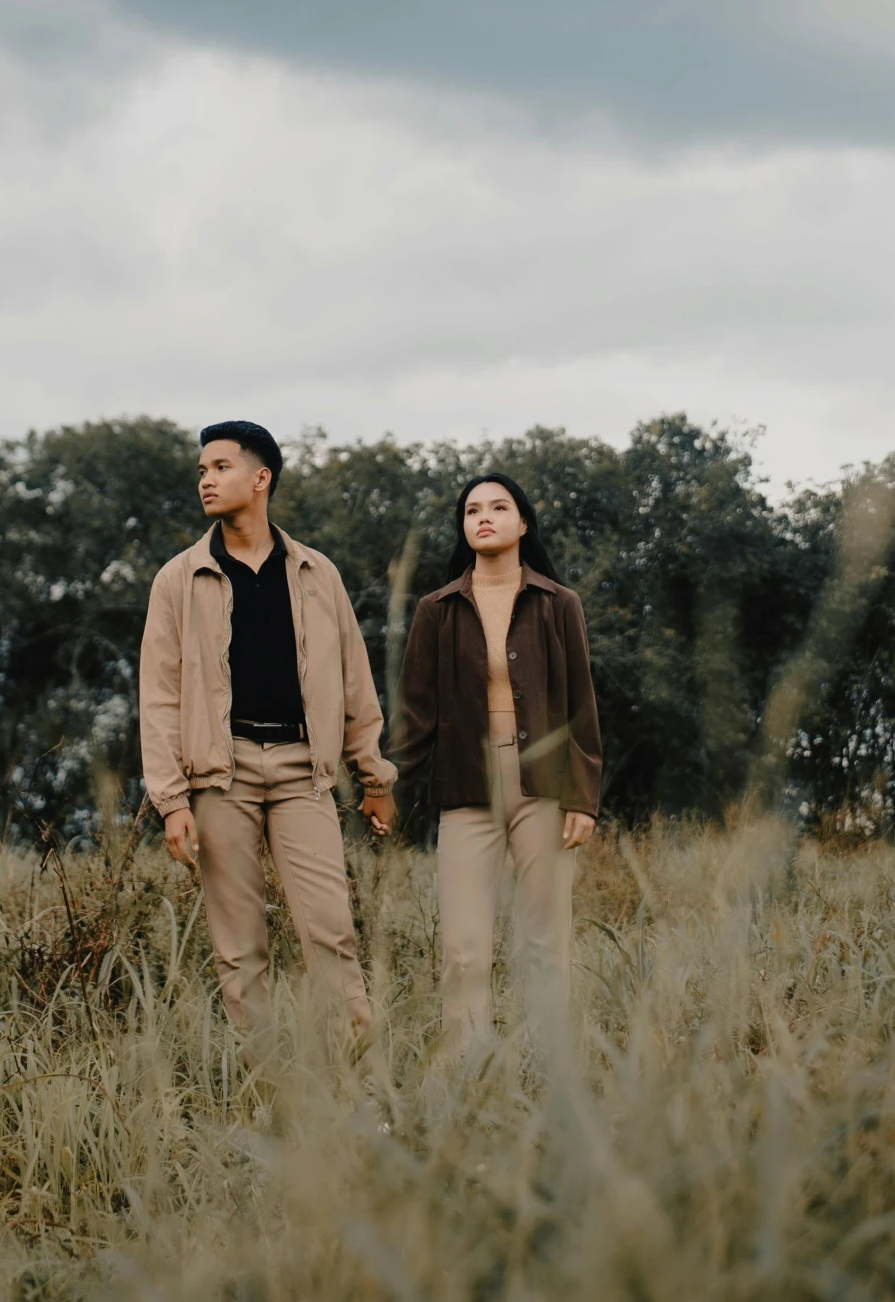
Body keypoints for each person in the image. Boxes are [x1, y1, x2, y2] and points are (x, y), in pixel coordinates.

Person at [139, 421, 398, 1041]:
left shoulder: (316, 572)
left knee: (330, 929)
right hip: (218, 775)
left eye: (220, 467)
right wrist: (172, 800)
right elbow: (159, 695)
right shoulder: (179, 577)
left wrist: (373, 775)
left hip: (304, 769)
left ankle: (362, 1083)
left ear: (261, 479)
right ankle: (269, 1091)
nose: (206, 480)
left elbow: (354, 680)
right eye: (201, 470)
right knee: (239, 946)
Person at [397, 472, 601, 1046]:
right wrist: (382, 784)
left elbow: (581, 706)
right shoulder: (435, 609)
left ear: (523, 522)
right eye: (472, 510)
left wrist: (583, 798)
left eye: (499, 507)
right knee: (463, 951)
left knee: (544, 942)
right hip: (466, 786)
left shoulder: (558, 604)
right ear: (463, 527)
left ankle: (546, 1072)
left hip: (543, 786)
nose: (483, 517)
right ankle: (468, 1081)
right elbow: (414, 712)